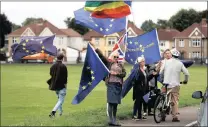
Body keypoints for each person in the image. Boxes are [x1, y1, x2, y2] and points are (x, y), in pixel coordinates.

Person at [90, 42, 126, 126]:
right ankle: (110, 120)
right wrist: (95, 49)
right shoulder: (109, 64)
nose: (116, 58)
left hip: (118, 86)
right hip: (111, 85)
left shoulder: (120, 65)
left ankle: (114, 119)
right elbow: (101, 57)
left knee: (116, 103)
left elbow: (124, 74)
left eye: (117, 57)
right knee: (111, 102)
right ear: (111, 57)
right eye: (114, 57)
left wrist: (116, 74)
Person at [159, 49, 189, 122]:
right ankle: (175, 117)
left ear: (171, 55)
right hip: (175, 84)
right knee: (174, 101)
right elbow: (187, 73)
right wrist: (185, 81)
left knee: (163, 98)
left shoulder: (165, 62)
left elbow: (161, 72)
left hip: (166, 84)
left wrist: (162, 80)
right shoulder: (180, 63)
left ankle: (162, 113)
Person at [47, 53, 68, 118]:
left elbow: (51, 73)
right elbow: (65, 77)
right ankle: (53, 112)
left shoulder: (52, 66)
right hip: (61, 86)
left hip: (55, 86)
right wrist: (65, 85)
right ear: (62, 58)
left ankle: (60, 113)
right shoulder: (63, 66)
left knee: (59, 100)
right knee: (61, 100)